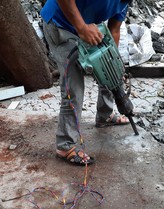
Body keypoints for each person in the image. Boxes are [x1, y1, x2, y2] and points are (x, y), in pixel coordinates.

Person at [41, 0, 132, 166]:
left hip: (84, 26)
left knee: (109, 70)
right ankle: (65, 144)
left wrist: (112, 61)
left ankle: (105, 115)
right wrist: (81, 27)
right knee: (74, 85)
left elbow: (114, 30)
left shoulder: (125, 2)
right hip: (60, 24)